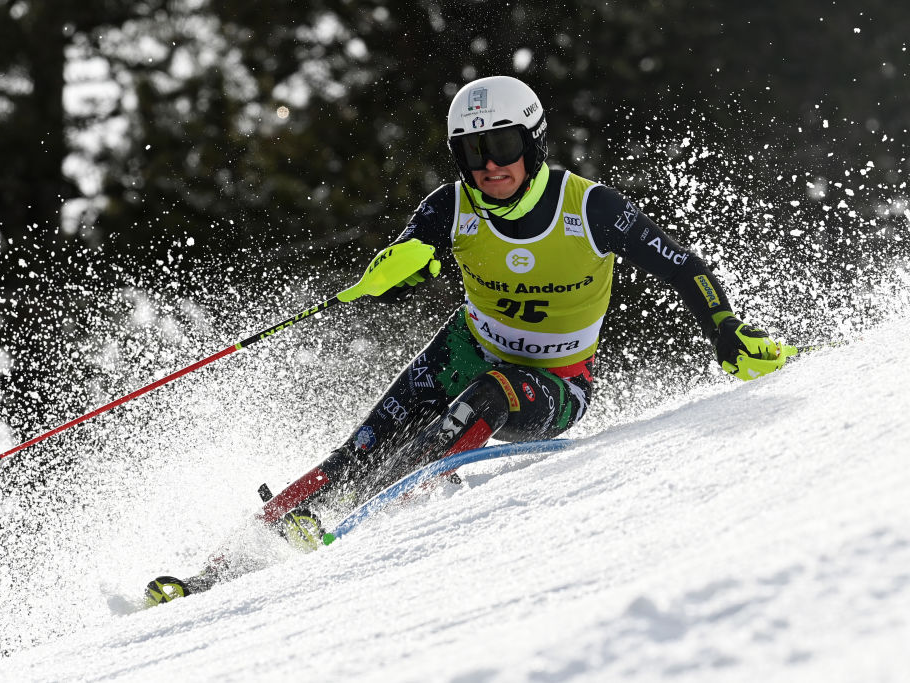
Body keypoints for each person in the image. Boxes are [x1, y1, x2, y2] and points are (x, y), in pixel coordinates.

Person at [145, 76, 794, 605]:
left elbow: (683, 266)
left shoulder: (587, 207)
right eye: (472, 153)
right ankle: (212, 572)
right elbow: (407, 261)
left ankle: (374, 513)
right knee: (355, 452)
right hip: (462, 346)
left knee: (490, 393)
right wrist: (396, 272)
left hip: (557, 382)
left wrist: (726, 329)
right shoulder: (449, 206)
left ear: (534, 143)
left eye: (504, 146)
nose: (490, 167)